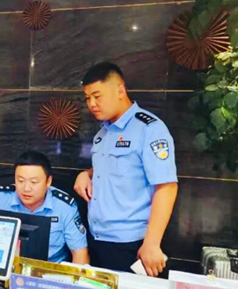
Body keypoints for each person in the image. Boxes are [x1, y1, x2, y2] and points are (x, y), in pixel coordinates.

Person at [73, 62, 178, 276]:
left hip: (130, 245)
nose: (91, 104)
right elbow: (112, 169)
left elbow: (166, 186)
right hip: (98, 239)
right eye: (87, 98)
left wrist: (152, 243)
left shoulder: (150, 129)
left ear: (120, 91)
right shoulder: (103, 133)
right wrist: (86, 173)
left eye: (97, 96)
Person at [0, 151, 89, 264]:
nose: (26, 188)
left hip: (49, 271)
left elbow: (80, 254)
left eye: (34, 182)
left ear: (48, 182)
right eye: (20, 181)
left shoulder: (64, 207)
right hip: (5, 267)